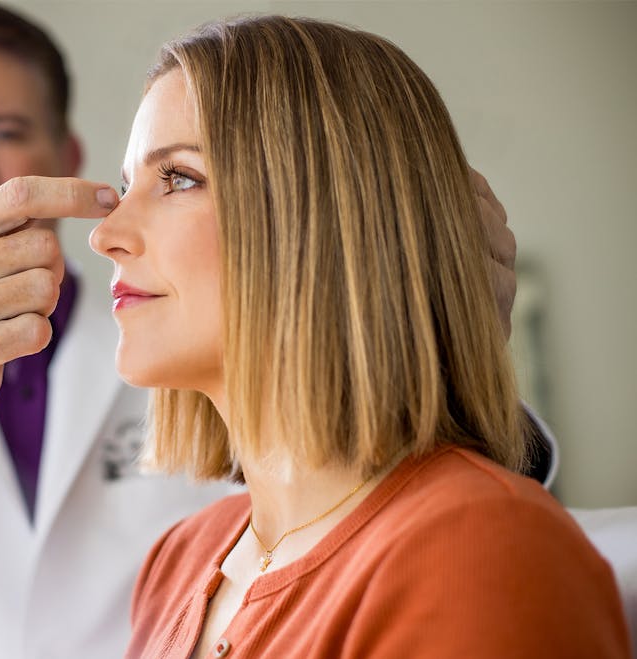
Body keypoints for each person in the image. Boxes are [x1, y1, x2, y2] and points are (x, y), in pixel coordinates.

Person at [0, 2, 548, 657]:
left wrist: (428, 341)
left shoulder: (178, 336)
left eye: (4, 132)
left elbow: (385, 522)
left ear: (62, 153)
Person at [88, 15, 629, 658]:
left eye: (178, 177)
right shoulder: (178, 563)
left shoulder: (475, 548)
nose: (105, 235)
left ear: (324, 217)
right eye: (127, 186)